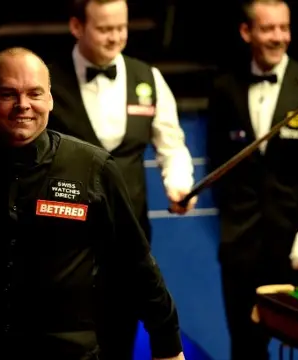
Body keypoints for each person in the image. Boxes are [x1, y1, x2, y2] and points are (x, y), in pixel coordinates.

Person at [0, 47, 186, 360]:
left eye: (35, 93)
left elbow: (134, 262)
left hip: (72, 354)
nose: (23, 105)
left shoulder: (93, 167)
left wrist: (167, 344)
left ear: (50, 99)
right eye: (8, 94)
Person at [46, 2, 196, 356]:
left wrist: (179, 183)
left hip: (128, 236)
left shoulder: (148, 78)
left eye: (121, 27)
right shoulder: (47, 80)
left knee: (119, 339)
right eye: (104, 29)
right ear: (76, 26)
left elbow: (171, 146)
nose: (115, 37)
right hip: (64, 240)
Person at [205, 0, 298, 359]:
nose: (279, 37)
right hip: (244, 250)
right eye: (268, 29)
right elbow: (219, 163)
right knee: (247, 347)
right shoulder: (225, 88)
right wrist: (232, 222)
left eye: (284, 28)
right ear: (246, 32)